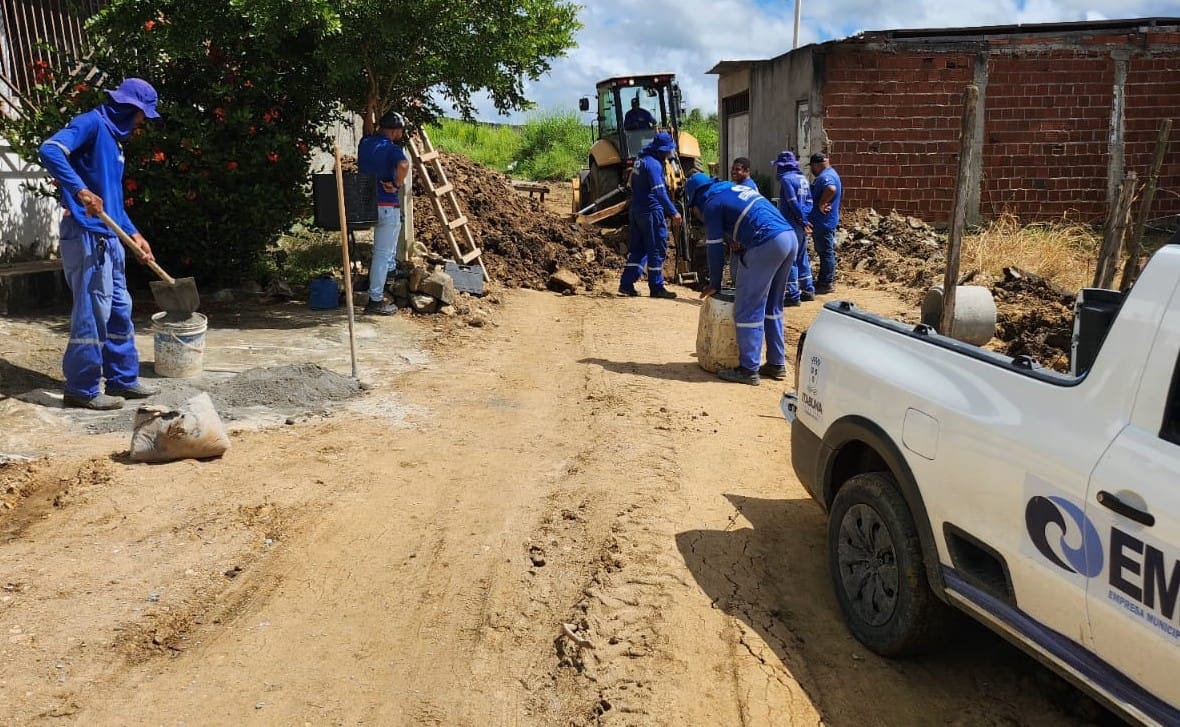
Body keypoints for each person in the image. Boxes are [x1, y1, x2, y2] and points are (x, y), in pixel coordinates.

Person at [38, 78, 161, 410]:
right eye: (141, 116)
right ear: (129, 108)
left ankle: (122, 378)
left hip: (111, 236)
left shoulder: (116, 142)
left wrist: (135, 235)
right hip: (85, 233)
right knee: (92, 312)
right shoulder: (90, 123)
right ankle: (82, 388)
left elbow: (114, 203)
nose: (141, 123)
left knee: (120, 310)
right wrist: (80, 191)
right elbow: (50, 149)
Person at [684, 172, 798, 385]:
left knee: (747, 308)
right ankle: (776, 363)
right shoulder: (730, 189)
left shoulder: (711, 204)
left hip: (766, 242)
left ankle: (748, 369)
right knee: (773, 306)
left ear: (696, 199)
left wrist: (714, 283)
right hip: (789, 238)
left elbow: (715, 248)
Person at [357, 111, 410, 315]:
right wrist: (396, 183)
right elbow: (404, 165)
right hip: (386, 205)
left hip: (365, 204)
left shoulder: (365, 143)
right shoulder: (391, 148)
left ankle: (388, 269)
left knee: (383, 248)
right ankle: (376, 300)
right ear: (395, 130)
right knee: (382, 252)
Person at [618, 131, 681, 299]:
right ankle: (656, 287)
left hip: (636, 211)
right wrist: (673, 212)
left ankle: (626, 284)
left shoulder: (640, 160)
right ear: (660, 150)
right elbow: (659, 192)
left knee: (638, 249)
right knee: (656, 249)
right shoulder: (653, 164)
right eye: (667, 150)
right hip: (651, 212)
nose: (669, 153)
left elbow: (631, 184)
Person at [774, 151, 815, 306]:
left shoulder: (786, 179)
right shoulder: (802, 179)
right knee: (801, 256)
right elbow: (809, 201)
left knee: (789, 259)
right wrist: (804, 218)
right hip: (800, 223)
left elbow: (792, 202)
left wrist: (801, 219)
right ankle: (808, 289)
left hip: (791, 223)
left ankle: (793, 294)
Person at [807, 152, 842, 294]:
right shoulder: (831, 173)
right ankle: (824, 280)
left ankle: (826, 283)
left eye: (811, 167)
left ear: (816, 165)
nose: (811, 170)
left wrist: (822, 203)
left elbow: (831, 189)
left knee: (826, 252)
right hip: (825, 221)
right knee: (825, 252)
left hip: (824, 222)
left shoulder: (825, 176)